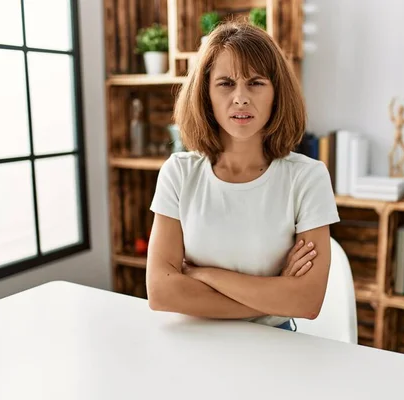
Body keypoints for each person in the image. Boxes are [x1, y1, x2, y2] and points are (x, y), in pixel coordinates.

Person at [146, 21, 340, 332]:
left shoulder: (308, 178)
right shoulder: (178, 173)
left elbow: (307, 301)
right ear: (205, 93)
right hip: (193, 339)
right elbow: (161, 292)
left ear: (277, 93)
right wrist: (275, 295)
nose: (240, 98)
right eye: (225, 83)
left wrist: (204, 274)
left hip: (273, 342)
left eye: (256, 82)